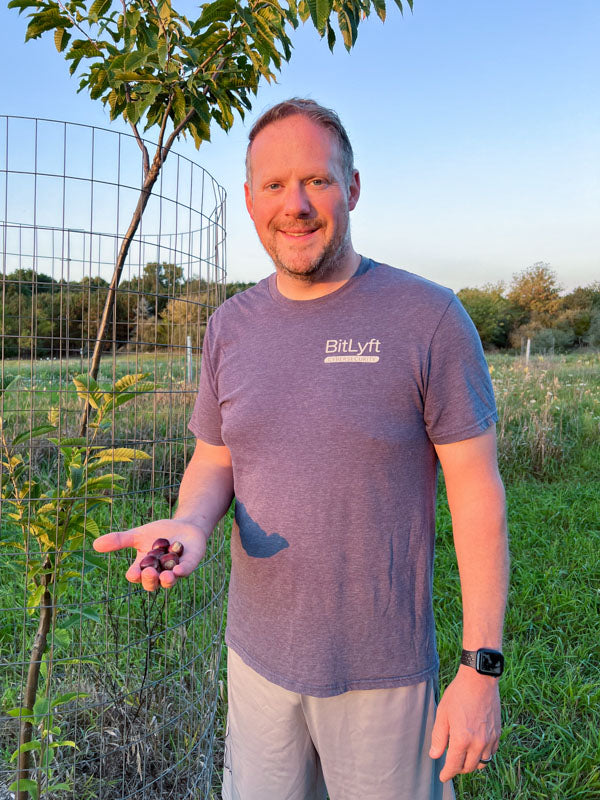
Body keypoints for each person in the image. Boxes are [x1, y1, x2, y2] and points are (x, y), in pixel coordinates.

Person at [94, 98, 509, 800]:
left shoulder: (429, 318)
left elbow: (476, 491)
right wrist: (192, 523)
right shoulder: (231, 325)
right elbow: (216, 456)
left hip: (384, 672)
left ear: (351, 188)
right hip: (255, 660)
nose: (297, 205)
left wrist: (480, 668)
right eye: (275, 186)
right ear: (253, 200)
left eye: (316, 181)